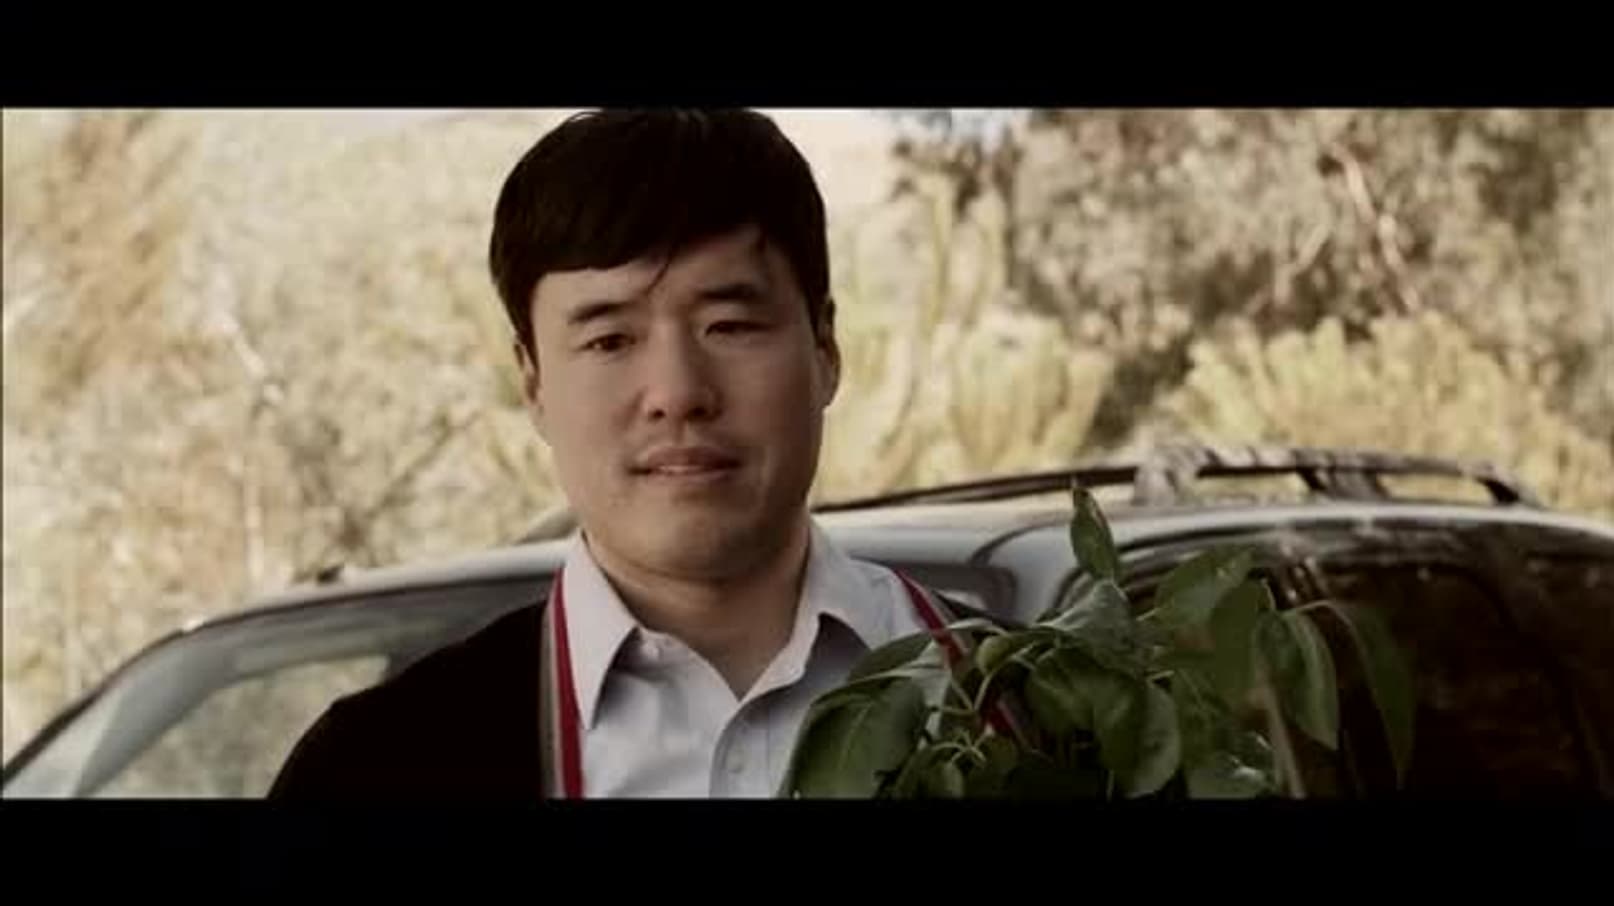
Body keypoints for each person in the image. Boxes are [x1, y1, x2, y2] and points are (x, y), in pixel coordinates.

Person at [269, 109, 997, 799]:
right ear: (534, 383)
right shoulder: (377, 764)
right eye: (610, 339)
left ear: (826, 349)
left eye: (729, 325)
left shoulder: (1026, 702)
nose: (677, 393)